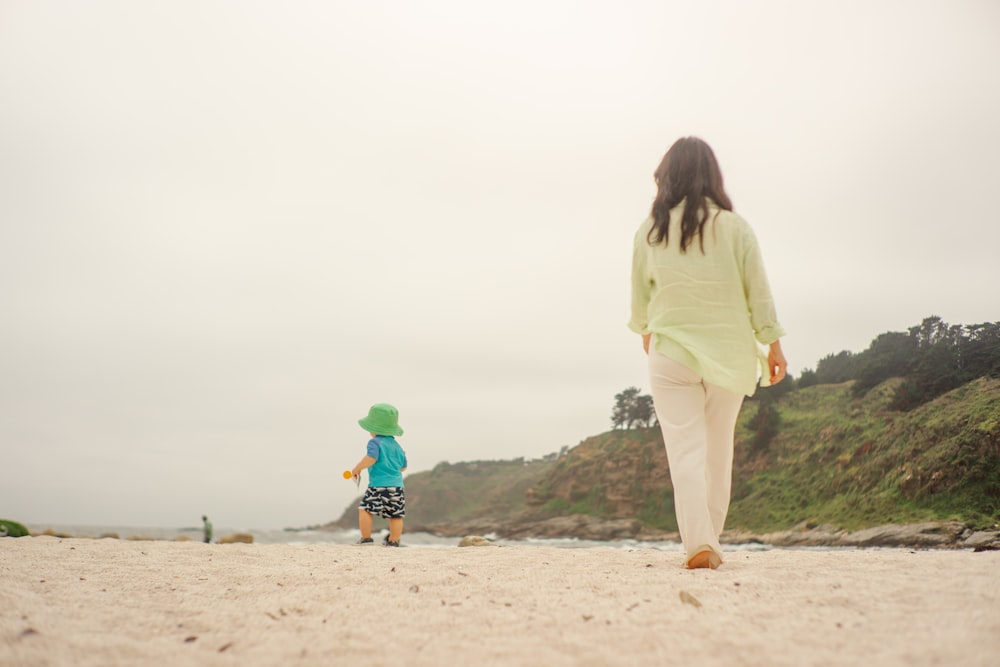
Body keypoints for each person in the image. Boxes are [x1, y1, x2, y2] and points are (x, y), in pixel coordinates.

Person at [628, 136, 787, 570]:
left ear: (668, 177)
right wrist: (772, 343)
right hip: (728, 354)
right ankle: (708, 541)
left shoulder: (651, 230)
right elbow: (758, 291)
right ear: (711, 176)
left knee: (685, 453)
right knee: (718, 452)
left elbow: (639, 296)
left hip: (671, 353)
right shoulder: (735, 228)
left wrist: (646, 331)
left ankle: (701, 542)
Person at [350, 403, 408, 547]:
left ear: (373, 428)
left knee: (365, 509)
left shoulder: (374, 442)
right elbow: (403, 467)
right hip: (397, 487)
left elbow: (371, 458)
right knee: (395, 515)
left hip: (378, 485)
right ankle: (394, 542)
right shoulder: (398, 447)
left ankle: (366, 539)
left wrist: (357, 469)